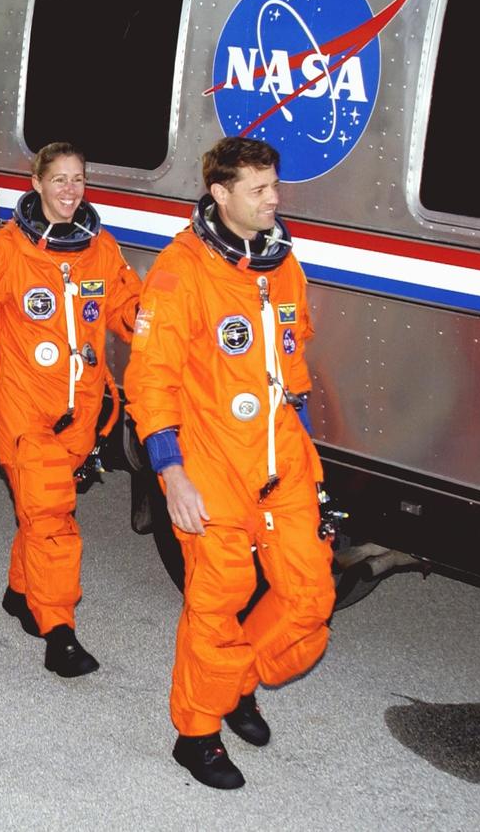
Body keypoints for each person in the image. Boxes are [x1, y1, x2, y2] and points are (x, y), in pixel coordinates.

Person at [124, 137, 336, 789]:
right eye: (260, 189)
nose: (275, 199)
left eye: (275, 187)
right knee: (219, 604)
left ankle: (236, 681)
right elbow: (149, 379)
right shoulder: (181, 271)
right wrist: (172, 472)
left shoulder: (282, 264)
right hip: (212, 463)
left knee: (309, 598)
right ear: (220, 194)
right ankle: (197, 731)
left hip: (283, 459)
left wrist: (307, 456)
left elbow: (293, 366)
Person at [0, 142, 140, 677]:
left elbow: (126, 308)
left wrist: (170, 327)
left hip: (81, 406)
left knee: (44, 506)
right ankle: (59, 630)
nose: (70, 191)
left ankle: (21, 592)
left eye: (78, 180)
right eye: (60, 180)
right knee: (52, 514)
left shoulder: (101, 249)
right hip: (22, 402)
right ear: (37, 183)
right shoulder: (6, 251)